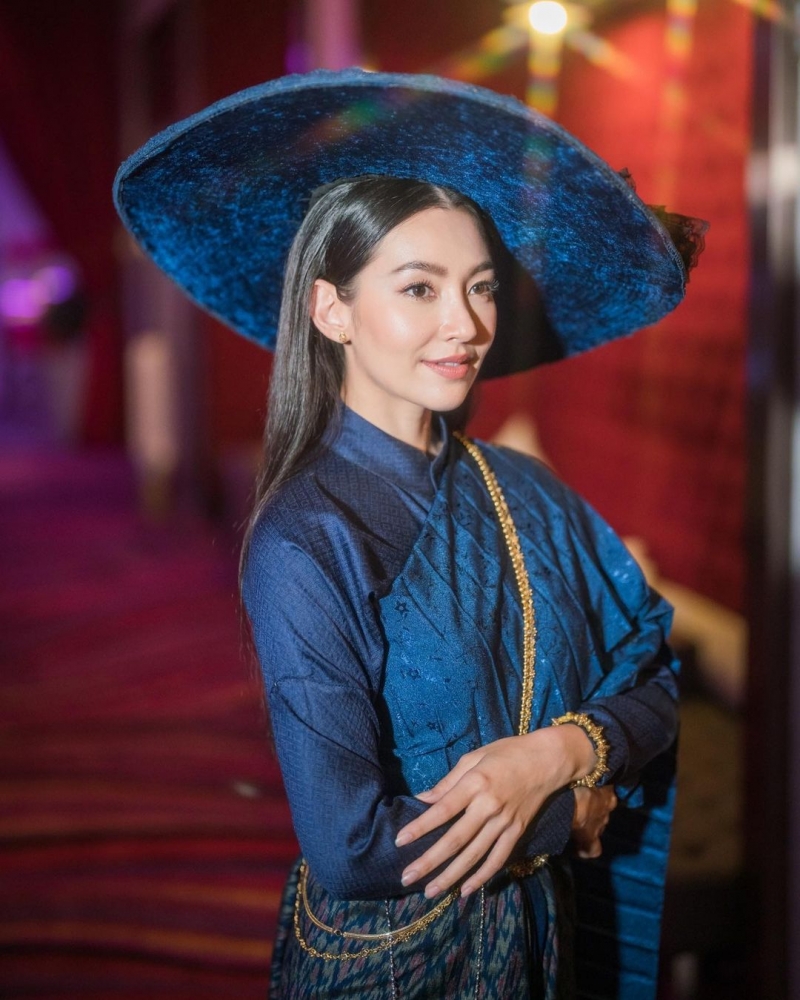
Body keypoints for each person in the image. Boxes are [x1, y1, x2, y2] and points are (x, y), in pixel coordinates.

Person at [114, 69, 707, 999]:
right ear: (332, 309)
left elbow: (656, 676)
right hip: (392, 961)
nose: (464, 325)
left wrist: (557, 755)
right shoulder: (307, 538)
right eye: (420, 288)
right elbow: (350, 849)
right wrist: (566, 814)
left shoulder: (527, 489)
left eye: (480, 288)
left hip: (541, 939)